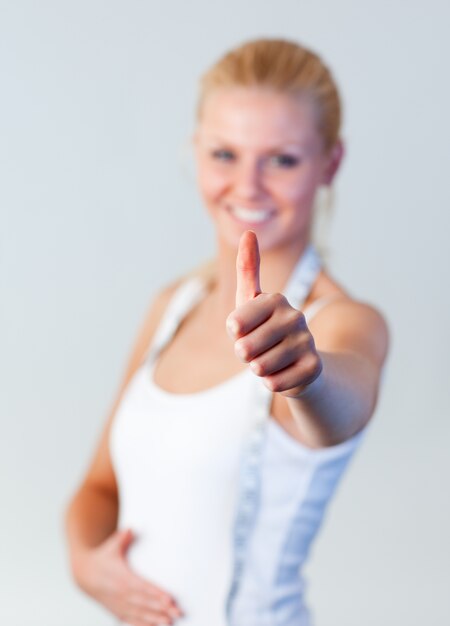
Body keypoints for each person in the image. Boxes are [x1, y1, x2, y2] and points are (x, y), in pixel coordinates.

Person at [64, 38, 389, 626]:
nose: (247, 185)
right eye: (224, 154)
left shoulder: (342, 322)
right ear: (194, 151)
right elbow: (98, 489)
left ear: (329, 163)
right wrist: (87, 566)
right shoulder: (173, 306)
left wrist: (305, 375)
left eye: (282, 159)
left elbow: (341, 405)